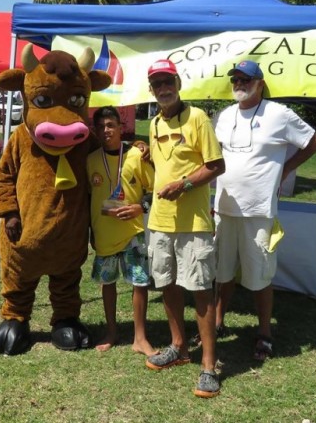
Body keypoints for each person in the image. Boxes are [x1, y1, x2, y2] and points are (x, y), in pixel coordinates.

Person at [213, 60, 316, 360]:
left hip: (259, 211)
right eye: (235, 78)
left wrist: (286, 169)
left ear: (260, 83)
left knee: (260, 276)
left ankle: (264, 332)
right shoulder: (222, 116)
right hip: (223, 208)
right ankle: (218, 321)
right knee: (221, 273)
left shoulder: (279, 114)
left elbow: (315, 141)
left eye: (246, 79)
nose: (239, 83)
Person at [145, 59, 225, 399]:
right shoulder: (153, 122)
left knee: (201, 292)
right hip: (160, 222)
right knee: (167, 286)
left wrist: (184, 185)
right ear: (152, 89)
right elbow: (166, 161)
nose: (163, 88)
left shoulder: (198, 118)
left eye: (168, 82)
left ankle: (209, 366)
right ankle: (178, 347)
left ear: (178, 83)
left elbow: (216, 165)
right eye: (157, 83)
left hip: (193, 224)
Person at [87, 106, 156, 355]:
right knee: (108, 284)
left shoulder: (137, 156)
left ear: (120, 127)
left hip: (132, 232)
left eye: (111, 125)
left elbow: (154, 190)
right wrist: (90, 231)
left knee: (139, 282)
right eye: (101, 126)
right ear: (95, 131)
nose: (106, 130)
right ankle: (112, 332)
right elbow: (86, 197)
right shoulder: (91, 160)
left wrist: (140, 207)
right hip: (104, 234)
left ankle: (140, 338)